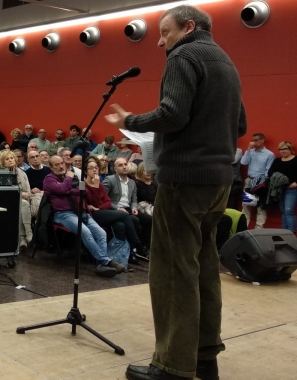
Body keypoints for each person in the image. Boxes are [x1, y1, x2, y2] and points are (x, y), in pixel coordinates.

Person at [104, 5, 247, 380]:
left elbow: (172, 114)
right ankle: (204, 356)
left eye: (164, 32)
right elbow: (241, 122)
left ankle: (171, 365)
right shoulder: (226, 62)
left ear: (188, 27)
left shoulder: (184, 55)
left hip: (184, 180)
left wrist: (129, 121)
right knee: (202, 269)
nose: (159, 40)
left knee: (171, 271)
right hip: (219, 182)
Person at [43, 156, 123, 277]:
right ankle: (106, 261)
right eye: (57, 165)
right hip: (64, 214)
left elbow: (83, 191)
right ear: (51, 167)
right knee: (85, 232)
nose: (61, 166)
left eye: (62, 163)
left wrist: (68, 189)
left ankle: (102, 266)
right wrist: (68, 183)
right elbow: (61, 189)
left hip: (81, 212)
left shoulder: (70, 177)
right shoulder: (49, 179)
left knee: (101, 233)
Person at [84, 160, 142, 271]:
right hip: (93, 215)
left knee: (121, 226)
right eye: (91, 168)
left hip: (102, 211)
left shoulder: (99, 185)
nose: (95, 170)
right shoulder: (84, 185)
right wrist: (96, 190)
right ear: (86, 172)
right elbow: (93, 202)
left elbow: (107, 201)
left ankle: (121, 260)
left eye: (96, 167)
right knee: (125, 216)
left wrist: (100, 207)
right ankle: (136, 244)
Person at [240, 133, 274, 228]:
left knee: (261, 207)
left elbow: (268, 170)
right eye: (253, 140)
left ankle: (258, 231)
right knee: (246, 206)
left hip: (261, 183)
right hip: (250, 181)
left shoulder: (269, 154)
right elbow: (243, 162)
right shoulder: (251, 152)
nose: (254, 142)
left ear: (262, 140)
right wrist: (248, 149)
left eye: (256, 140)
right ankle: (243, 228)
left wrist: (262, 182)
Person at [1, 150, 33, 250]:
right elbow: (4, 192)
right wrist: (20, 193)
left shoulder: (22, 173)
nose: (10, 160)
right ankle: (28, 232)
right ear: (3, 162)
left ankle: (22, 239)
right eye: (7, 159)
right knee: (22, 205)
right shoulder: (1, 174)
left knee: (22, 206)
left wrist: (25, 194)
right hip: (6, 201)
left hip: (23, 201)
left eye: (11, 158)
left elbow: (28, 191)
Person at [268, 141, 297, 232]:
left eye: (284, 149)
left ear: (290, 149)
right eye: (280, 149)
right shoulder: (277, 161)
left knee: (289, 210)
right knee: (283, 211)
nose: (282, 151)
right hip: (279, 189)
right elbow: (270, 173)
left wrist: (296, 182)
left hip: (291, 189)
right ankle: (284, 232)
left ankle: (291, 232)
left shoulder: (296, 160)